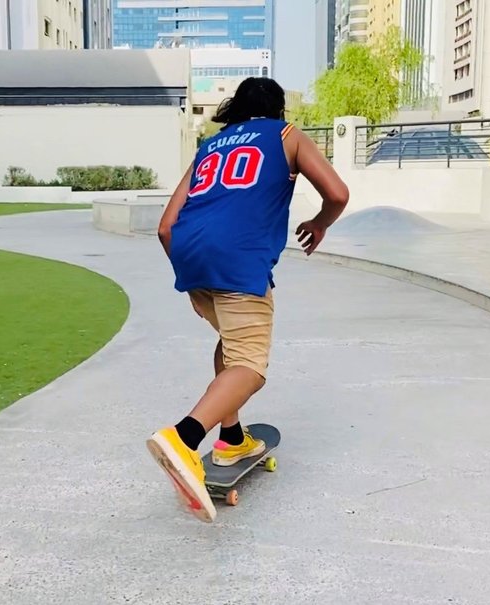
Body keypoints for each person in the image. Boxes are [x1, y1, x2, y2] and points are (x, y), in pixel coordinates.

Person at [146, 77, 350, 522]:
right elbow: (337, 194)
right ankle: (183, 438)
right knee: (250, 366)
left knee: (231, 346)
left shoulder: (210, 145)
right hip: (237, 260)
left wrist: (193, 274)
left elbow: (165, 226)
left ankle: (232, 437)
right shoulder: (285, 135)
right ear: (279, 111)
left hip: (190, 257)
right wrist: (319, 223)